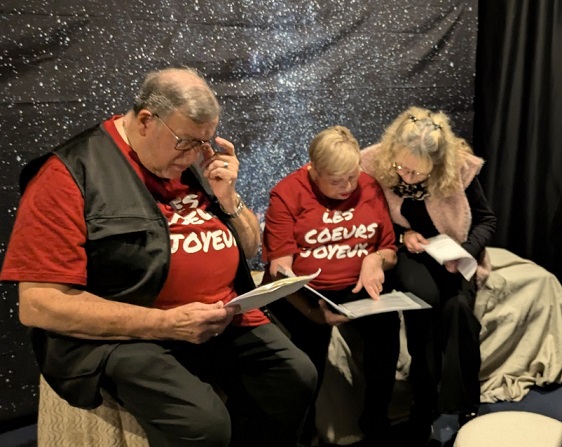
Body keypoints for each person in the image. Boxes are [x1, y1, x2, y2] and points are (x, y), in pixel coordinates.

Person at [0, 66, 318, 447]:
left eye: (205, 142)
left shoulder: (191, 164)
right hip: (132, 331)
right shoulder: (68, 173)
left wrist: (228, 197)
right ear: (146, 121)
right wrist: (167, 323)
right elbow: (38, 304)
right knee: (203, 423)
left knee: (296, 377)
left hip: (219, 316)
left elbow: (249, 248)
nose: (195, 155)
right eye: (186, 142)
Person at [361, 106, 497, 446]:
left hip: (453, 253)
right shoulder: (374, 163)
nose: (407, 178)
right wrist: (402, 234)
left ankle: (463, 405)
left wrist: (465, 249)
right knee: (423, 306)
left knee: (458, 311)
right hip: (408, 252)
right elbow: (370, 221)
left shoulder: (459, 168)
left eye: (418, 173)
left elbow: (487, 221)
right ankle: (423, 408)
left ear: (437, 165)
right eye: (402, 168)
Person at [262, 125, 400, 446]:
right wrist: (312, 312)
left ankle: (376, 421)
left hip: (357, 286)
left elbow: (390, 250)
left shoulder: (369, 186)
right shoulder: (287, 193)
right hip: (305, 292)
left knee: (386, 332)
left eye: (352, 177)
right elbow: (280, 270)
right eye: (337, 181)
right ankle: (303, 433)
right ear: (314, 171)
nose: (348, 187)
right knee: (307, 357)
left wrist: (376, 259)